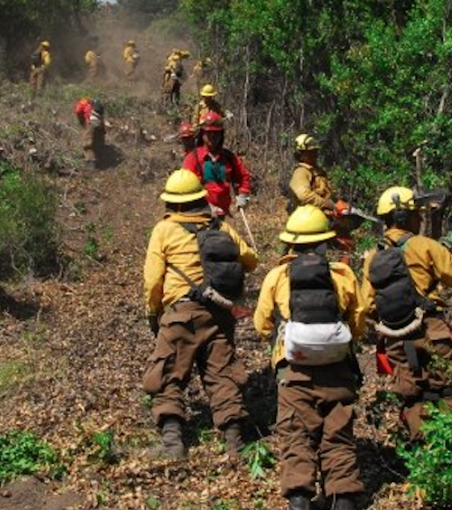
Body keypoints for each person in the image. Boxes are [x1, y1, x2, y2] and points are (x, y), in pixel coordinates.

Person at [254, 204, 365, 510]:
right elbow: (358, 321)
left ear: (291, 242)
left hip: (293, 372)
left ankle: (300, 500)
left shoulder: (277, 276)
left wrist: (278, 341)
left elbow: (261, 323)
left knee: (297, 437)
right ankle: (342, 499)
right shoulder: (343, 275)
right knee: (338, 437)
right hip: (338, 370)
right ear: (325, 242)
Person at [143, 169, 259, 460]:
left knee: (168, 375)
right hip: (219, 314)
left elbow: (153, 279)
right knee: (221, 376)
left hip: (180, 314)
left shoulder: (164, 230)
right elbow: (250, 260)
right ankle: (235, 445)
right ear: (198, 199)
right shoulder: (219, 226)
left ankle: (172, 445)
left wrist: (153, 312)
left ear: (173, 203)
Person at [361, 186, 452, 442]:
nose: (420, 219)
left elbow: (367, 304)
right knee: (446, 391)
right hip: (432, 331)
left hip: (396, 339)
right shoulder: (425, 246)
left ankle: (423, 456)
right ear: (406, 217)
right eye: (417, 214)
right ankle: (450, 453)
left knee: (413, 395)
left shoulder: (373, 257)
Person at [182, 111, 251, 218]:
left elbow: (243, 176)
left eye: (216, 133)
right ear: (202, 134)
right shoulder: (192, 158)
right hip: (199, 216)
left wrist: (243, 195)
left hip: (222, 215)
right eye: (208, 133)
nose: (212, 137)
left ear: (221, 134)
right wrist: (207, 207)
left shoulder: (228, 157)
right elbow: (187, 188)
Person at [288, 134, 335, 214]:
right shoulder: (301, 172)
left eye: (315, 151)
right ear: (300, 154)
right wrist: (325, 203)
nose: (315, 154)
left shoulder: (318, 171)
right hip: (308, 218)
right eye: (310, 152)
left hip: (322, 216)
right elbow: (303, 195)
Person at [74, 97, 105, 170]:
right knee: (98, 140)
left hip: (91, 122)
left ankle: (91, 163)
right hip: (100, 122)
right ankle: (101, 159)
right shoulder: (96, 103)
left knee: (87, 142)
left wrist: (82, 121)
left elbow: (78, 111)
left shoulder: (82, 102)